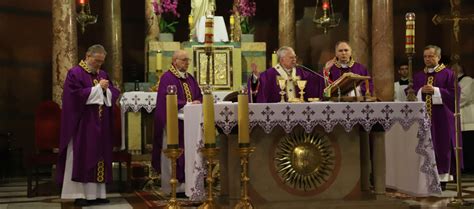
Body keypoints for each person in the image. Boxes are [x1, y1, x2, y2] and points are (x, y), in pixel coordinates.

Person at [56, 44, 120, 206]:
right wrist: (98, 88)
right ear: (87, 56)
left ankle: (98, 194)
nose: (99, 65)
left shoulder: (102, 73)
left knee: (100, 156)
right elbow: (74, 97)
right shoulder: (75, 73)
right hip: (83, 126)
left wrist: (106, 91)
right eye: (96, 61)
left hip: (101, 125)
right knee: (83, 157)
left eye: (101, 62)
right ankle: (80, 194)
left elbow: (113, 93)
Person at [152, 50, 202, 195]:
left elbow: (198, 94)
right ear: (175, 61)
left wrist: (198, 101)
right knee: (176, 153)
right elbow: (166, 100)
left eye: (188, 60)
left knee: (190, 154)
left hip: (190, 123)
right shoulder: (167, 78)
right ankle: (175, 187)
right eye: (184, 60)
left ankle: (189, 185)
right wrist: (187, 103)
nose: (187, 63)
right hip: (174, 123)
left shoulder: (190, 78)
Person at [413, 45, 461, 188]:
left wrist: (436, 90)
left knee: (441, 146)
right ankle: (424, 177)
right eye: (425, 56)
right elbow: (412, 93)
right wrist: (421, 91)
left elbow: (455, 94)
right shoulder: (418, 75)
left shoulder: (448, 74)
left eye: (431, 56)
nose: (427, 59)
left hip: (442, 118)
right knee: (424, 146)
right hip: (423, 117)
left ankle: (442, 179)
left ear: (438, 58)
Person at [248, 46, 325, 103]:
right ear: (282, 60)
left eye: (295, 57)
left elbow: (315, 80)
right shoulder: (270, 74)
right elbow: (259, 84)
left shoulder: (300, 72)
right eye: (291, 57)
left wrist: (325, 71)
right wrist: (255, 77)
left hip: (299, 110)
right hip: (278, 112)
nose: (294, 60)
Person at [453, 63, 474, 173]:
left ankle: (470, 167)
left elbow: (465, 97)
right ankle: (462, 167)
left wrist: (449, 102)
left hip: (467, 116)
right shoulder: (452, 81)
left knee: (469, 143)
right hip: (457, 117)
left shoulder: (468, 80)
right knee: (461, 144)